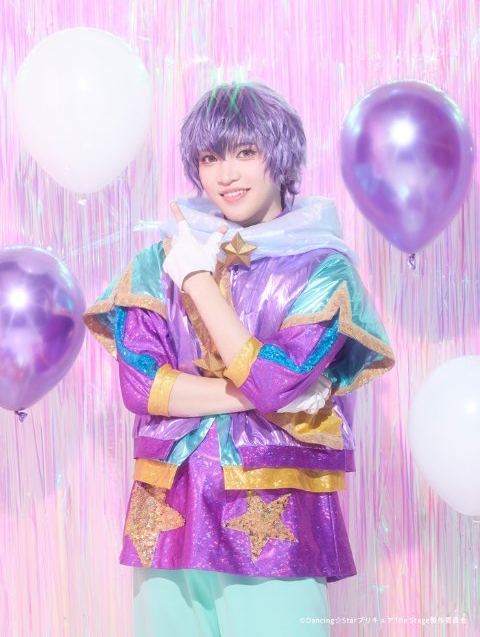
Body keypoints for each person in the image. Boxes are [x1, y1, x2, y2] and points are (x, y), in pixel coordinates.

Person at [83, 82, 395, 637]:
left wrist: (198, 282)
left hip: (274, 516)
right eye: (210, 158)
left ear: (281, 156)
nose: (226, 174)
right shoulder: (158, 261)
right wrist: (268, 395)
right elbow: (144, 389)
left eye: (245, 152)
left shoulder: (323, 269)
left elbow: (272, 381)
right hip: (169, 512)